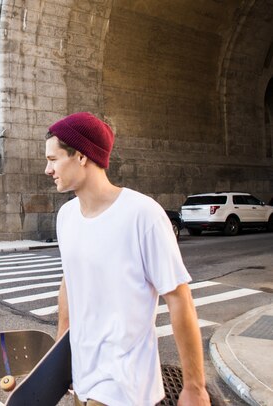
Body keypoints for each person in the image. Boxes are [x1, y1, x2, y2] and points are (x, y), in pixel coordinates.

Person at [44, 112, 210, 406]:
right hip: (82, 380)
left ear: (81, 156)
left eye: (54, 159)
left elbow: (178, 298)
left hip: (125, 385)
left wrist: (194, 387)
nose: (48, 169)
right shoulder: (66, 217)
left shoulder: (143, 215)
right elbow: (70, 281)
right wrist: (61, 353)